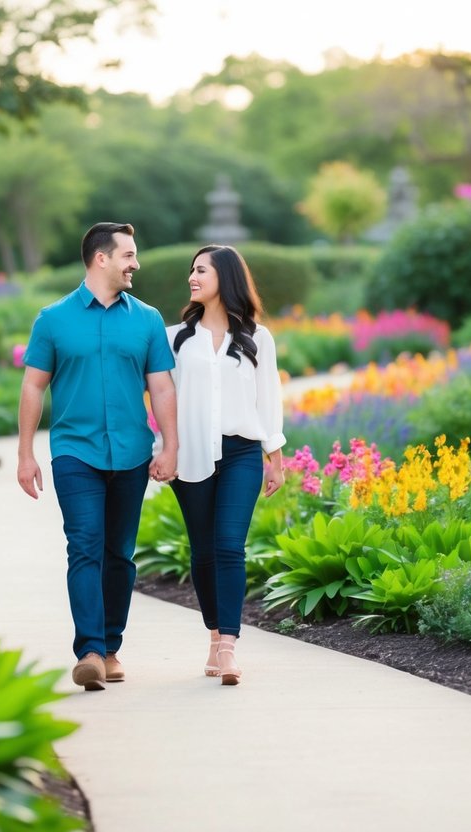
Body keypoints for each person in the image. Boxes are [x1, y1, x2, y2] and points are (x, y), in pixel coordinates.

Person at [17, 222, 179, 691]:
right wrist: (26, 454)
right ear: (100, 259)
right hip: (75, 452)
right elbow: (32, 385)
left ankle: (111, 646)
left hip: (130, 452)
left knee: (119, 555)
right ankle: (89, 650)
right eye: (128, 255)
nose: (136, 264)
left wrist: (170, 446)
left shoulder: (146, 320)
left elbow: (162, 386)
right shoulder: (53, 319)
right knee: (85, 544)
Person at [165, 244, 285, 686]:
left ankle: (230, 646)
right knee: (203, 551)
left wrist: (274, 457)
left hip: (241, 453)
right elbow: (164, 400)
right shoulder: (173, 337)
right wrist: (166, 449)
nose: (192, 278)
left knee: (230, 546)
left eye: (201, 271)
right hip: (191, 453)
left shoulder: (258, 338)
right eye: (191, 271)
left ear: (226, 278)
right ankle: (214, 635)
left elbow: (268, 398)